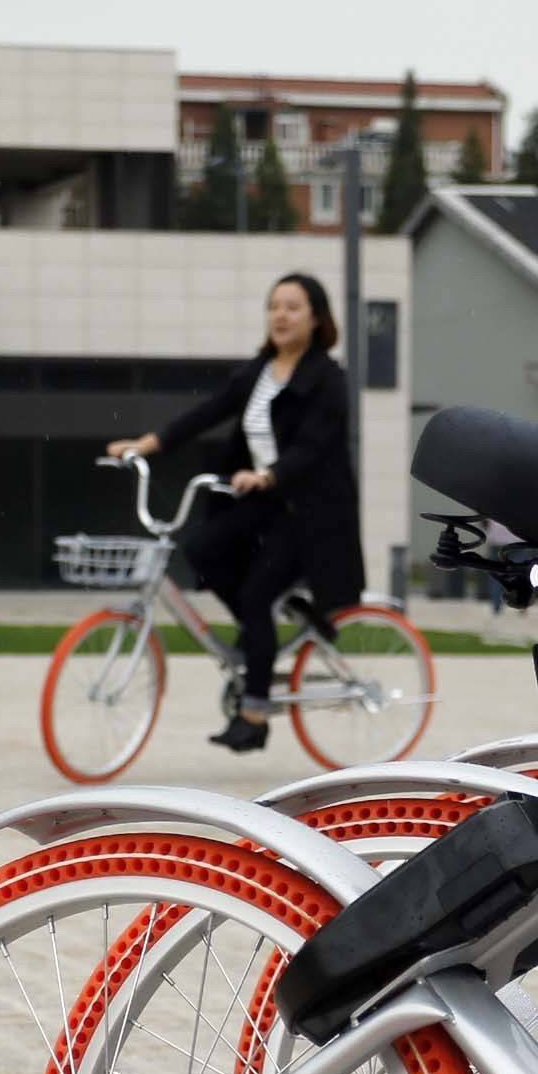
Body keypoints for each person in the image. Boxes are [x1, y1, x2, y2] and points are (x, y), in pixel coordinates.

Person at [105, 273, 361, 752]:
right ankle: (259, 633)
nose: (280, 315)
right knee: (202, 549)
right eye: (274, 306)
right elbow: (208, 412)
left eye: (292, 306)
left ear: (317, 317)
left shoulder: (328, 379)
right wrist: (146, 445)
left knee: (259, 594)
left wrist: (270, 474)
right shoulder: (260, 371)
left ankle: (255, 712)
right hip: (262, 503)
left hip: (308, 512)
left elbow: (313, 446)